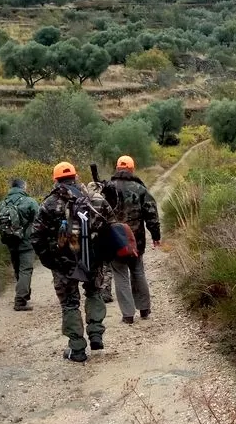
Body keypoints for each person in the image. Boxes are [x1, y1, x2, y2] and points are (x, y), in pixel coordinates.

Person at [30, 162, 115, 362]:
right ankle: (96, 337)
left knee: (69, 304)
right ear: (76, 177)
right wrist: (103, 255)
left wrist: (49, 260)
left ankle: (77, 349)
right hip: (93, 260)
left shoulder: (49, 204)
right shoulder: (95, 198)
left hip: (63, 264)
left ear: (55, 179)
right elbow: (112, 226)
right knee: (94, 293)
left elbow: (36, 236)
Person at [107, 155, 160, 324]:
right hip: (135, 241)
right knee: (138, 271)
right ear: (131, 169)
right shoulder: (140, 189)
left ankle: (128, 315)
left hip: (114, 241)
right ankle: (144, 310)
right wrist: (155, 235)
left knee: (120, 275)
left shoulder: (107, 188)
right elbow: (151, 214)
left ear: (117, 168)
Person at [0, 178, 40, 311]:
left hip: (10, 242)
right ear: (23, 187)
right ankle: (20, 300)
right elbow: (39, 220)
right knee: (25, 270)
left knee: (17, 269)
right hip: (26, 242)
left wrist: (8, 235)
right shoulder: (30, 202)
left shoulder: (2, 204)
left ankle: (23, 294)